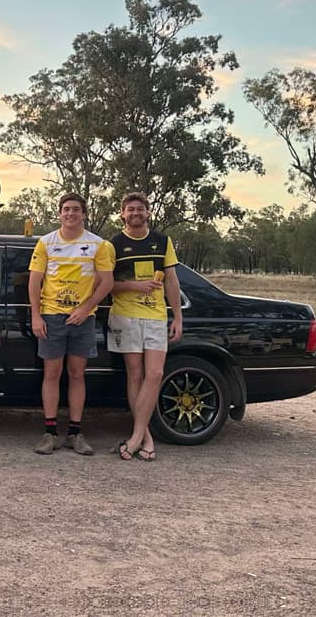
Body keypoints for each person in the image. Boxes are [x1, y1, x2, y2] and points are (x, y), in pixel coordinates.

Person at [27, 192, 114, 456]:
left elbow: (107, 282)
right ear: (59, 213)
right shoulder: (46, 243)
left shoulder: (99, 245)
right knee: (51, 374)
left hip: (82, 318)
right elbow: (34, 281)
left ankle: (75, 432)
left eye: (76, 209)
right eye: (66, 209)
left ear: (84, 214)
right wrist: (36, 315)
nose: (70, 213)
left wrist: (86, 308)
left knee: (77, 375)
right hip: (52, 317)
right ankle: (50, 432)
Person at [107, 192, 183, 461]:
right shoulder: (113, 244)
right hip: (125, 316)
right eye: (130, 209)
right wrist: (134, 286)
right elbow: (106, 285)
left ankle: (136, 435)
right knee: (135, 375)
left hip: (155, 316)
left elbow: (172, 281)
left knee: (155, 373)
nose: (135, 213)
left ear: (148, 212)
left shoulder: (162, 241)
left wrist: (178, 316)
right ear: (122, 214)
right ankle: (145, 436)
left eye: (140, 208)